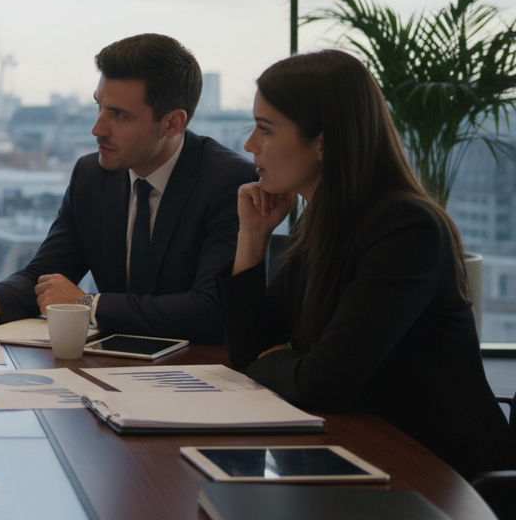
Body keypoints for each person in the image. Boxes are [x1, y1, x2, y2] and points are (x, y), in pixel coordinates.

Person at [220, 49, 513, 479]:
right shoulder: (325, 219)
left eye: (265, 129)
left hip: (440, 471)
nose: (249, 145)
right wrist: (252, 238)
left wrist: (274, 360)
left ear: (323, 141)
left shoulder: (404, 227)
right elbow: (248, 350)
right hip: (358, 447)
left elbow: (325, 383)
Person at [0, 34, 256, 343]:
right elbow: (46, 275)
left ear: (172, 123)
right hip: (105, 368)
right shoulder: (91, 175)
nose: (97, 129)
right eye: (98, 106)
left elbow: (210, 310)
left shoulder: (227, 182)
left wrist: (86, 304)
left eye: (119, 115)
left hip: (195, 374)